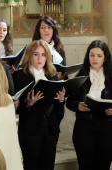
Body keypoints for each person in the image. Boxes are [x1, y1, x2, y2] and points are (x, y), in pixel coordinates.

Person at [12, 40, 65, 170]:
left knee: (48, 165)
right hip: (30, 128)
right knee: (31, 165)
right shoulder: (19, 76)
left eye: (43, 54)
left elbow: (59, 109)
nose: (40, 58)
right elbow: (15, 107)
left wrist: (61, 100)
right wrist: (28, 104)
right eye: (36, 54)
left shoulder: (52, 76)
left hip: (50, 127)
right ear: (29, 56)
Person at [66, 40, 112, 170]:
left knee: (103, 165)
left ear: (105, 57)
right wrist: (78, 106)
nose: (95, 59)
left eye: (99, 55)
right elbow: (69, 102)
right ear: (88, 56)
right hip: (84, 127)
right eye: (92, 55)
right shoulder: (81, 76)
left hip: (107, 128)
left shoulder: (111, 77)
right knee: (85, 165)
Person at [19, 16, 67, 80]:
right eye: (42, 27)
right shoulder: (33, 48)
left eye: (49, 27)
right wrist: (54, 77)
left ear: (53, 30)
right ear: (39, 31)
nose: (46, 30)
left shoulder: (59, 49)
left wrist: (61, 78)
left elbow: (65, 71)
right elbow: (26, 69)